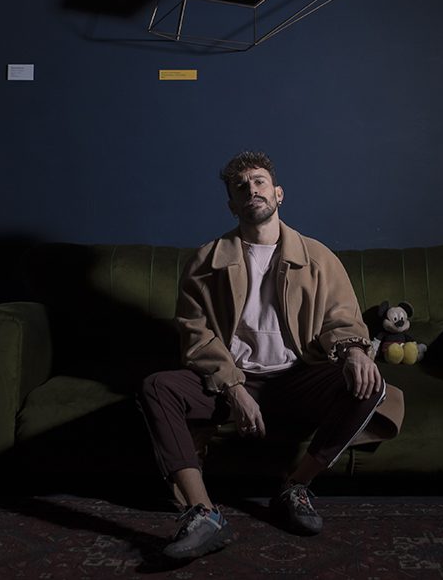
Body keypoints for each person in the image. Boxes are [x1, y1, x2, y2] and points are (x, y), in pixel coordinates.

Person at [138, 151, 404, 560]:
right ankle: (204, 513)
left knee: (371, 384)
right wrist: (234, 389)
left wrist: (354, 351)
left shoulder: (318, 257)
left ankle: (295, 488)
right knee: (157, 387)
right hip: (229, 382)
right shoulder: (205, 262)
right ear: (232, 205)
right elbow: (196, 337)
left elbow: (342, 317)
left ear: (279, 193)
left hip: (296, 379)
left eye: (259, 181)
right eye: (240, 186)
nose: (252, 190)